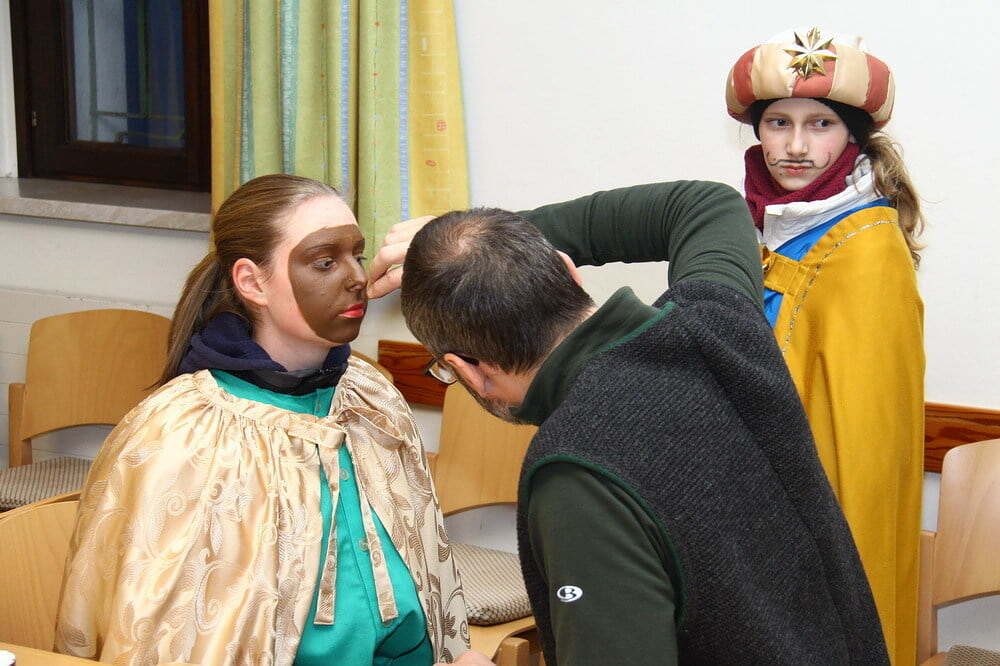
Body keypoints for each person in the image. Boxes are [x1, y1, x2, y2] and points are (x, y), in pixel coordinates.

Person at [369, 180, 889, 665]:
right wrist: (492, 246)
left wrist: (472, 252)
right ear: (569, 272)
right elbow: (706, 204)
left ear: (467, 370)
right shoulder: (717, 322)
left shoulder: (578, 477)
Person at [55, 174, 469, 665]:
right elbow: (165, 637)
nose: (356, 277)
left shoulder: (370, 396)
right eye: (324, 261)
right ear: (252, 282)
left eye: (356, 255)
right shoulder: (183, 432)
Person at [725, 27, 924, 663]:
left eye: (820, 125)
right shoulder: (765, 228)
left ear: (851, 137)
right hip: (757, 481)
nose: (795, 146)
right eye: (778, 123)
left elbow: (863, 439)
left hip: (818, 498)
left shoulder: (864, 247)